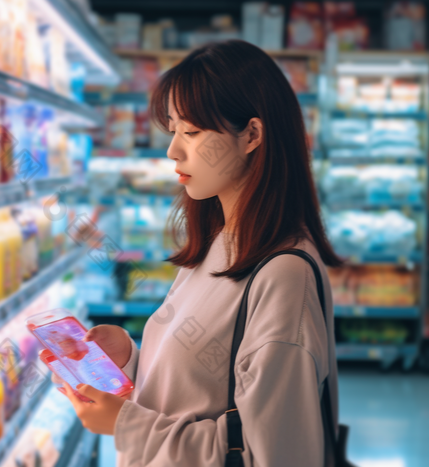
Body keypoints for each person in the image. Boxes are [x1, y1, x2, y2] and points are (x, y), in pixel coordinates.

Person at [51, 40, 343, 466]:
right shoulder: (219, 245)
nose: (173, 149)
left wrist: (126, 424)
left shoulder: (283, 276)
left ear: (252, 135)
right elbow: (205, 389)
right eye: (172, 130)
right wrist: (130, 362)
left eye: (192, 132)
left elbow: (276, 454)